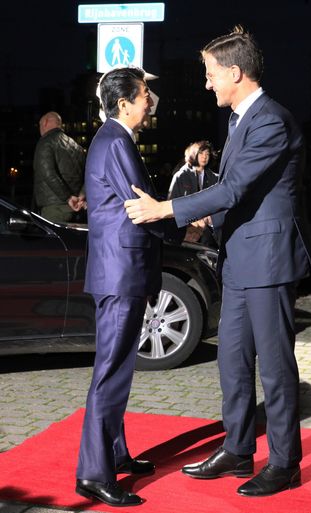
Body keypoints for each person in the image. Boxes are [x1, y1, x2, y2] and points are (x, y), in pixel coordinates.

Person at [124, 25, 311, 498]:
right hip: (238, 260)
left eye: (210, 74)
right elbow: (236, 196)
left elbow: (234, 188)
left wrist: (165, 208)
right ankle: (236, 449)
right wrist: (209, 221)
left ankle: (286, 463)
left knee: (274, 368)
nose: (206, 83)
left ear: (235, 71)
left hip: (268, 263)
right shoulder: (237, 121)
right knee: (232, 362)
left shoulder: (271, 119)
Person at [75, 67, 183, 507]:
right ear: (124, 103)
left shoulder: (113, 140)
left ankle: (115, 454)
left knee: (117, 367)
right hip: (121, 274)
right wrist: (183, 228)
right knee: (112, 371)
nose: (149, 102)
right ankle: (93, 473)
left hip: (120, 272)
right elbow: (144, 206)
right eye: (145, 95)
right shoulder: (117, 141)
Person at [33, 111, 86, 222]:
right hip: (78, 209)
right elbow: (89, 174)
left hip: (55, 209)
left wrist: (68, 198)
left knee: (52, 240)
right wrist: (82, 196)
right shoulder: (76, 146)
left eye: (39, 125)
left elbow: (48, 174)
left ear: (45, 122)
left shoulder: (45, 142)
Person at [168, 140, 219, 246]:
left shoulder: (214, 178)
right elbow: (171, 204)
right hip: (187, 233)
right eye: (201, 153)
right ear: (194, 154)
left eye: (207, 154)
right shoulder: (181, 175)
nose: (204, 157)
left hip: (208, 233)